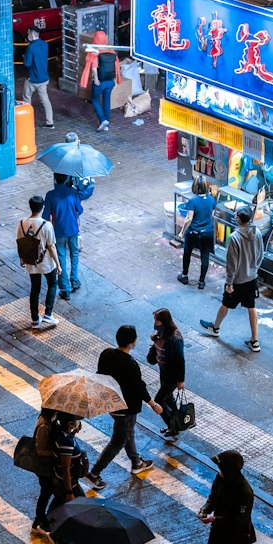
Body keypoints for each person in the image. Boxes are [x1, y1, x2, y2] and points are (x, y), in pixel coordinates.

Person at [84, 326, 162, 489]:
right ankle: (94, 473)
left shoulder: (106, 353)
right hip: (126, 408)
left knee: (128, 432)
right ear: (132, 342)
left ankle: (136, 462)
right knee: (118, 441)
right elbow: (138, 387)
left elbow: (100, 374)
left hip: (111, 403)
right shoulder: (130, 364)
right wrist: (153, 404)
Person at [200, 207, 265, 352]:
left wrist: (229, 283)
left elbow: (232, 263)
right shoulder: (258, 233)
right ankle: (255, 342)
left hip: (237, 280)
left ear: (238, 219)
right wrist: (254, 269)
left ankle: (215, 328)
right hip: (252, 278)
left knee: (226, 304)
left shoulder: (234, 237)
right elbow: (261, 255)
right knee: (251, 307)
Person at [17, 195, 59, 331]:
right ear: (43, 207)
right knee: (52, 284)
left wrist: (22, 259)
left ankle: (35, 320)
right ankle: (48, 314)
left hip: (31, 261)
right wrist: (58, 265)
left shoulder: (22, 223)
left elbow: (20, 243)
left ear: (30, 207)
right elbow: (51, 246)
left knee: (35, 289)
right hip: (46, 262)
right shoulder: (46, 225)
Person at [41, 172, 83, 301]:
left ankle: (65, 289)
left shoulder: (50, 195)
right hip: (73, 230)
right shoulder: (73, 192)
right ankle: (75, 280)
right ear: (67, 178)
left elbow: (45, 216)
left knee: (61, 258)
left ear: (55, 179)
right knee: (74, 255)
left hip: (58, 231)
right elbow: (80, 210)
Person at [147, 308, 185, 442]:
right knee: (169, 400)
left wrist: (180, 380)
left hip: (172, 375)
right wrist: (155, 340)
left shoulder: (175, 338)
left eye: (156, 320)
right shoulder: (160, 332)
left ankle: (172, 426)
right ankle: (176, 425)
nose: (155, 322)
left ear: (163, 321)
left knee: (159, 400)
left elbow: (180, 360)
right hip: (163, 372)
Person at [177, 176, 217, 289]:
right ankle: (201, 281)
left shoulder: (193, 201)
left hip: (194, 232)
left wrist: (181, 232)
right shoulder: (211, 200)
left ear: (195, 187)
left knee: (187, 253)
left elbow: (189, 218)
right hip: (208, 232)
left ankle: (184, 276)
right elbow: (212, 215)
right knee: (205, 256)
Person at [79, 30, 119, 132]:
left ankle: (102, 120)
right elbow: (116, 66)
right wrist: (115, 79)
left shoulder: (96, 52)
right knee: (107, 101)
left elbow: (94, 67)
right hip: (110, 81)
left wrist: (96, 78)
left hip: (100, 81)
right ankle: (106, 123)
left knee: (95, 100)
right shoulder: (112, 51)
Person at [29, 408, 58, 537]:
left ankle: (41, 520)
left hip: (45, 467)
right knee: (46, 492)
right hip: (43, 467)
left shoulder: (47, 421)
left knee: (47, 492)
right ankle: (38, 522)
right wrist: (56, 452)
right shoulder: (44, 426)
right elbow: (40, 450)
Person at [50, 412, 85, 512]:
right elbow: (66, 468)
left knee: (58, 506)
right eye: (77, 419)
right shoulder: (66, 442)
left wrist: (73, 432)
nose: (79, 421)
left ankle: (45, 524)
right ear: (70, 424)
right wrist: (69, 492)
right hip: (67, 483)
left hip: (63, 480)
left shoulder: (63, 433)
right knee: (81, 507)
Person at [22, 26, 55, 129]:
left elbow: (27, 64)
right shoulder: (45, 44)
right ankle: (50, 122)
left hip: (32, 79)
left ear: (31, 35)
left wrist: (24, 56)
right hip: (44, 78)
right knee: (45, 100)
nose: (27, 37)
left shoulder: (30, 47)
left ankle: (27, 122)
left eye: (28, 34)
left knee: (26, 98)